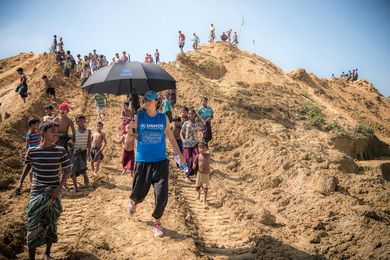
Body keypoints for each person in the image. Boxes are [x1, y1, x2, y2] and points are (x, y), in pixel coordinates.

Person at [127, 90, 185, 237]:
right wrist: (130, 129)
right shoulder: (138, 117)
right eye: (145, 99)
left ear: (156, 102)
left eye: (149, 99)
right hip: (143, 161)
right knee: (138, 193)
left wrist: (181, 155)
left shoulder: (162, 118)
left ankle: (157, 223)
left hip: (160, 162)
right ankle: (134, 202)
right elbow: (129, 140)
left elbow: (171, 138)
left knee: (161, 195)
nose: (146, 101)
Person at [16, 121, 71, 260]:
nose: (55, 134)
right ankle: (32, 257)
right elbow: (27, 166)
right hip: (36, 191)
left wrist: (58, 189)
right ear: (43, 133)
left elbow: (67, 170)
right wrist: (20, 182)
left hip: (53, 191)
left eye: (56, 132)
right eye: (52, 131)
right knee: (32, 223)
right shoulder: (33, 151)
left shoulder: (60, 150)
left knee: (51, 222)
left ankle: (47, 253)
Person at [70, 115, 91, 192]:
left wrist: (88, 154)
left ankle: (86, 180)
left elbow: (89, 144)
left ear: (85, 121)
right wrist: (71, 142)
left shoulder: (88, 131)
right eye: (79, 121)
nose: (81, 122)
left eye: (82, 121)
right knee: (72, 170)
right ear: (76, 122)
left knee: (83, 169)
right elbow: (72, 140)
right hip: (75, 152)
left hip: (83, 152)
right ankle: (75, 187)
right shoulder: (75, 131)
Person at [180, 108, 202, 181]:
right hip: (187, 144)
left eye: (192, 113)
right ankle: (187, 176)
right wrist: (183, 140)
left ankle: (196, 175)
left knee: (196, 159)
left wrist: (198, 116)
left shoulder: (197, 123)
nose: (190, 115)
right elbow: (181, 132)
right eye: (189, 113)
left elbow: (203, 125)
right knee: (187, 160)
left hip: (195, 143)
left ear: (195, 115)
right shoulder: (186, 123)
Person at [193, 142, 211, 208]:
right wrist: (193, 167)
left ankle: (204, 202)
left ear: (206, 149)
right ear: (198, 149)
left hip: (206, 174)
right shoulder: (197, 156)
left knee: (205, 188)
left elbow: (210, 151)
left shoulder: (208, 155)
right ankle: (199, 193)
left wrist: (207, 146)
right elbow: (194, 163)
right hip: (199, 174)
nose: (202, 149)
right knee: (197, 188)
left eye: (203, 148)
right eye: (200, 148)